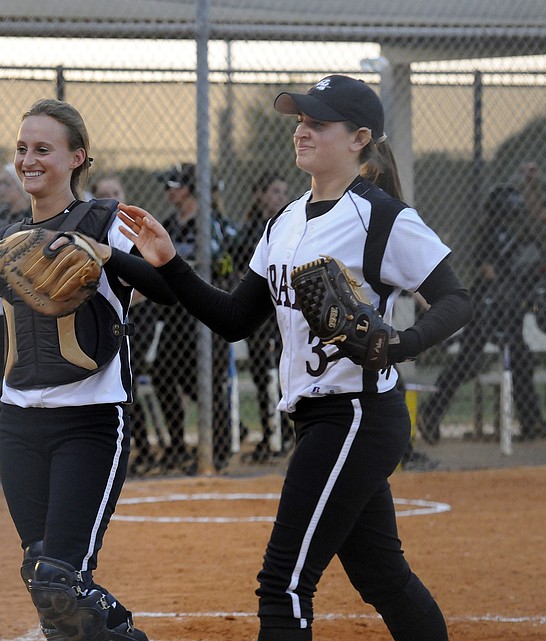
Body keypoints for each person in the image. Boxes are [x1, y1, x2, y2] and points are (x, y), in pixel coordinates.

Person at [117, 74, 473, 640]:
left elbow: (456, 299)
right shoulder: (284, 221)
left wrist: (398, 344)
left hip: (357, 414)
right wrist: (167, 263)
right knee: (383, 578)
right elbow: (236, 320)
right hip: (318, 418)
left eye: (318, 123)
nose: (302, 130)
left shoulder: (381, 218)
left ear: (359, 138)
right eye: (300, 121)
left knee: (282, 583)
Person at [0, 98, 174, 641]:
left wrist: (104, 253)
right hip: (18, 429)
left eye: (43, 149)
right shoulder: (10, 244)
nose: (28, 159)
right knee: (43, 576)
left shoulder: (109, 221)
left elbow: (168, 289)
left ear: (77, 157)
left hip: (89, 423)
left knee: (62, 577)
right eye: (21, 149)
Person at [418, 181, 546, 443]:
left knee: (520, 360)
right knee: (469, 362)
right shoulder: (489, 232)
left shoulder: (522, 233)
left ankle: (532, 422)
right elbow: (486, 269)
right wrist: (504, 280)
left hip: (510, 307)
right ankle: (431, 412)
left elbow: (532, 265)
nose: (514, 213)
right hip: (485, 306)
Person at [152, 162, 236, 472]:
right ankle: (177, 446)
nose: (167, 191)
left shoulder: (208, 223)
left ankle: (221, 448)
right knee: (162, 375)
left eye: (172, 185)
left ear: (187, 189)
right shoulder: (169, 225)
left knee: (207, 384)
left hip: (205, 313)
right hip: (176, 315)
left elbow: (222, 262)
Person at [93, 174, 162, 476]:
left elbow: (151, 286)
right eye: (103, 193)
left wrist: (115, 300)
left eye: (115, 192)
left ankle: (141, 449)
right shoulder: (91, 231)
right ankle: (134, 449)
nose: (110, 198)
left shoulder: (132, 232)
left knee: (129, 384)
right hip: (98, 326)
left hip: (136, 323)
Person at [234, 171, 294, 463]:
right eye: (274, 191)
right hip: (260, 315)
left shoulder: (291, 224)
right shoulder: (250, 230)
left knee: (286, 375)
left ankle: (286, 435)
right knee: (261, 377)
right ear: (259, 195)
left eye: (283, 192)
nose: (280, 198)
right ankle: (270, 433)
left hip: (283, 312)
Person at [0, 162, 31, 229]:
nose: (0, 189)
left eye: (7, 184)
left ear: (22, 186)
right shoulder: (1, 216)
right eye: (0, 183)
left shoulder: (33, 217)